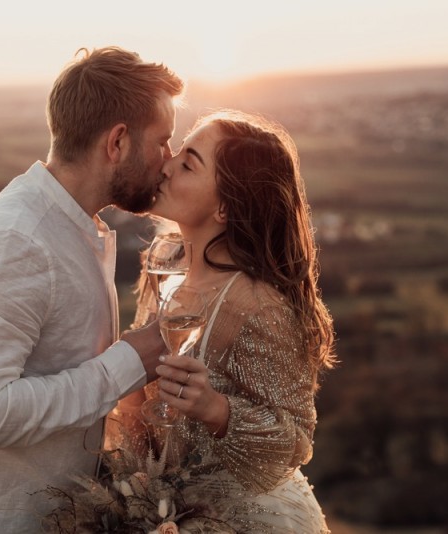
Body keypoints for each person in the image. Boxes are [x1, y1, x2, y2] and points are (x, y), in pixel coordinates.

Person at [0, 46, 184, 533]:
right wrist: (125, 365)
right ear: (117, 142)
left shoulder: (71, 226)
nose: (169, 160)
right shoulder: (17, 240)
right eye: (163, 141)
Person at [113, 109, 336, 532]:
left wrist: (216, 409)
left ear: (225, 208)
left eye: (189, 163)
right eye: (177, 151)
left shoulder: (258, 306)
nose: (168, 163)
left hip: (250, 522)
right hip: (168, 514)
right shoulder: (165, 265)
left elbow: (295, 443)